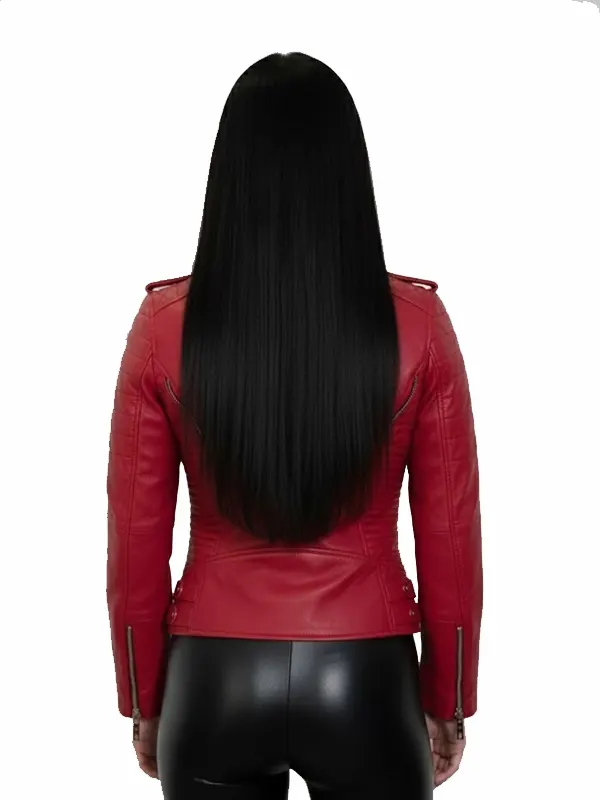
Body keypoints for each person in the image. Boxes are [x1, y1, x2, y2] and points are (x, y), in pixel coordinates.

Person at [106, 51, 483, 799]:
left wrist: (145, 696)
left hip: (214, 681)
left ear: (230, 175)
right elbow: (451, 537)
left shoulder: (162, 329)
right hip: (365, 680)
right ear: (349, 175)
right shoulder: (419, 326)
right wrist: (448, 698)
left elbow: (134, 543)